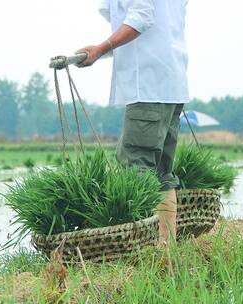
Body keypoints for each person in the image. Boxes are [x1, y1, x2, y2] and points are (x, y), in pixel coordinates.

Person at [76, 0, 189, 245]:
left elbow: (141, 17)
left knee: (134, 169)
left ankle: (139, 250)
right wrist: (99, 50)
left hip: (148, 87)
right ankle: (164, 248)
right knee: (161, 174)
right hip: (170, 85)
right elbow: (144, 26)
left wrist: (100, 48)